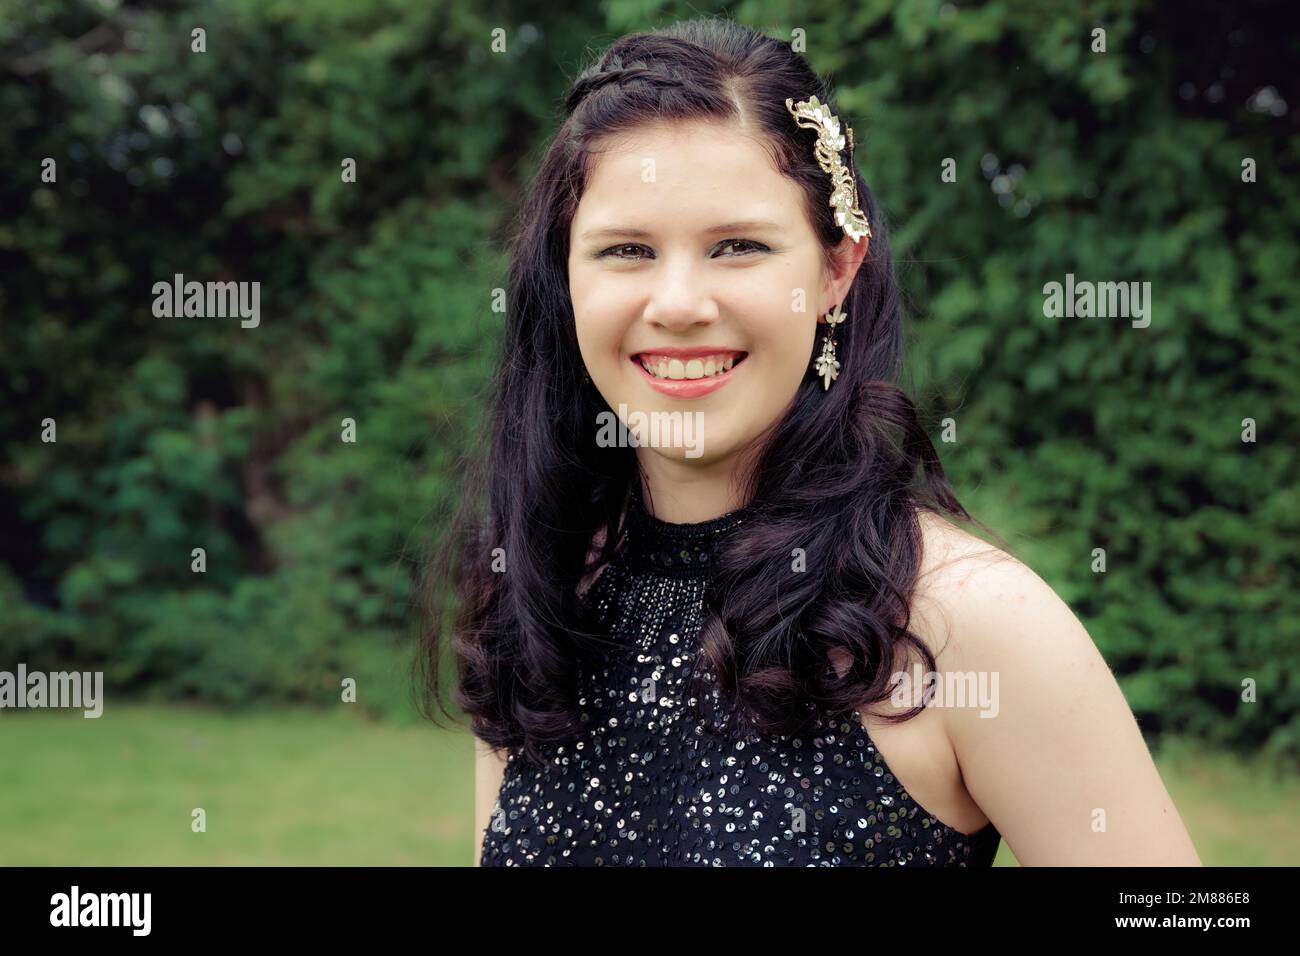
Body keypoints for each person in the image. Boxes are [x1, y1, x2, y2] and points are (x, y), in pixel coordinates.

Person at [418, 16, 1202, 867]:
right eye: (628, 249)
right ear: (565, 278)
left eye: (739, 246)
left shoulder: (966, 621)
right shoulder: (542, 598)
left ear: (836, 269)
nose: (678, 303)